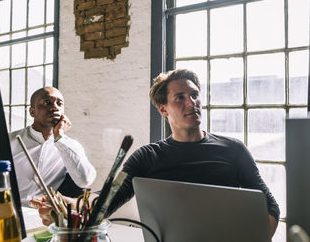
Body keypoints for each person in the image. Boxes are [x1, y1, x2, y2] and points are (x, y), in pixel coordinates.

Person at [33, 70, 280, 236]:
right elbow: (106, 200)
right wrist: (68, 204)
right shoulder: (149, 156)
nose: (191, 102)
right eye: (180, 97)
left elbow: (270, 207)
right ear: (163, 109)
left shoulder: (233, 149)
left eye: (195, 95)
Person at [9, 87, 96, 205]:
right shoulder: (10, 141)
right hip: (9, 211)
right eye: (47, 102)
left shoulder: (70, 146)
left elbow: (85, 180)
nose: (55, 107)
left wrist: (60, 138)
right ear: (32, 111)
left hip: (46, 215)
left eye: (59, 104)